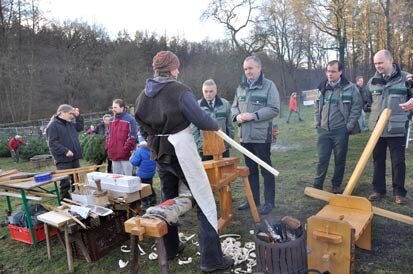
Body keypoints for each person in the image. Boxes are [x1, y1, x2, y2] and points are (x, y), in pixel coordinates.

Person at [135, 50, 233, 272]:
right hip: (180, 151)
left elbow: (140, 125)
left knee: (168, 199)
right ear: (172, 69)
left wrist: (153, 140)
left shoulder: (142, 95)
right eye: (177, 67)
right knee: (203, 200)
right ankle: (212, 260)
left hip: (160, 154)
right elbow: (200, 118)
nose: (178, 70)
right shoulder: (179, 90)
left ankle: (169, 249)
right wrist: (214, 125)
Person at [231, 55, 280, 215]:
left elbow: (274, 108)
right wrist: (236, 116)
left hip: (261, 137)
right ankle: (253, 199)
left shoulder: (269, 86)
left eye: (250, 68)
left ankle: (269, 202)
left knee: (266, 169)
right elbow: (234, 107)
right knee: (250, 170)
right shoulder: (240, 87)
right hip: (245, 137)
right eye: (245, 69)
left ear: (259, 68)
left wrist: (254, 115)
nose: (248, 72)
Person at [365, 50, 413, 205]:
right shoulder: (372, 81)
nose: (378, 66)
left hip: (397, 128)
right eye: (376, 63)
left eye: (381, 62)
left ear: (390, 60)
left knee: (398, 161)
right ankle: (378, 190)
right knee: (378, 160)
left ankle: (399, 193)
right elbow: (366, 101)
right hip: (376, 129)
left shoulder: (407, 78)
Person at [313, 60, 362, 194]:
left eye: (333, 71)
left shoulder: (350, 88)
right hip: (323, 131)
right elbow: (317, 107)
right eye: (328, 71)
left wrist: (349, 126)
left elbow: (356, 108)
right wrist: (317, 123)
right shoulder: (322, 87)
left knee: (339, 160)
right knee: (322, 159)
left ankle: (336, 185)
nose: (330, 74)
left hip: (341, 130)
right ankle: (317, 185)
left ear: (340, 72)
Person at [46, 104, 84, 200]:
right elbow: (52, 143)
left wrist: (78, 116)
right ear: (62, 112)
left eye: (73, 114)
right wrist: (65, 151)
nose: (72, 116)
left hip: (74, 157)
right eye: (70, 113)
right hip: (63, 159)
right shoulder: (53, 126)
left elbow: (80, 127)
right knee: (65, 182)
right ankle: (65, 200)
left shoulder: (69, 123)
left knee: (77, 179)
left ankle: (78, 197)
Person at [192, 79, 234, 160]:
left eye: (211, 91)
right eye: (206, 91)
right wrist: (200, 145)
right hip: (205, 148)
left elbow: (230, 126)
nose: (208, 94)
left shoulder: (225, 104)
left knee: (225, 171)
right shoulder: (196, 106)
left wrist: (227, 144)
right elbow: (194, 129)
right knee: (208, 172)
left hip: (223, 147)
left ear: (216, 91)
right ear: (202, 91)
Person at [106, 99, 137, 176]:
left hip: (125, 155)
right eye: (113, 107)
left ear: (122, 108)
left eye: (115, 107)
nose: (113, 109)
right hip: (113, 154)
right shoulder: (111, 120)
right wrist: (108, 147)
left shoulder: (130, 120)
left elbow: (132, 136)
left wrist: (125, 149)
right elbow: (108, 135)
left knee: (128, 178)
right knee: (117, 178)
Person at [129, 136, 157, 208]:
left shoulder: (140, 151)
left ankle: (145, 203)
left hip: (142, 174)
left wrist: (132, 156)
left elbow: (134, 162)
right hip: (151, 172)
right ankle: (153, 200)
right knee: (149, 186)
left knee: (142, 188)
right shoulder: (153, 150)